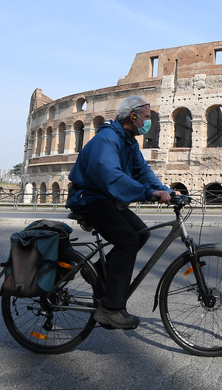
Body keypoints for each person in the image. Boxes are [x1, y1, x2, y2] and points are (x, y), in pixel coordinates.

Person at [67, 95, 172, 329]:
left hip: (107, 199)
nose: (149, 122)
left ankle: (97, 271)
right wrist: (148, 193)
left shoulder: (128, 141)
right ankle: (111, 309)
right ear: (132, 117)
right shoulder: (107, 139)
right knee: (128, 240)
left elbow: (142, 171)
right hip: (90, 199)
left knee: (141, 233)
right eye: (146, 117)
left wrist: (165, 190)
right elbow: (111, 176)